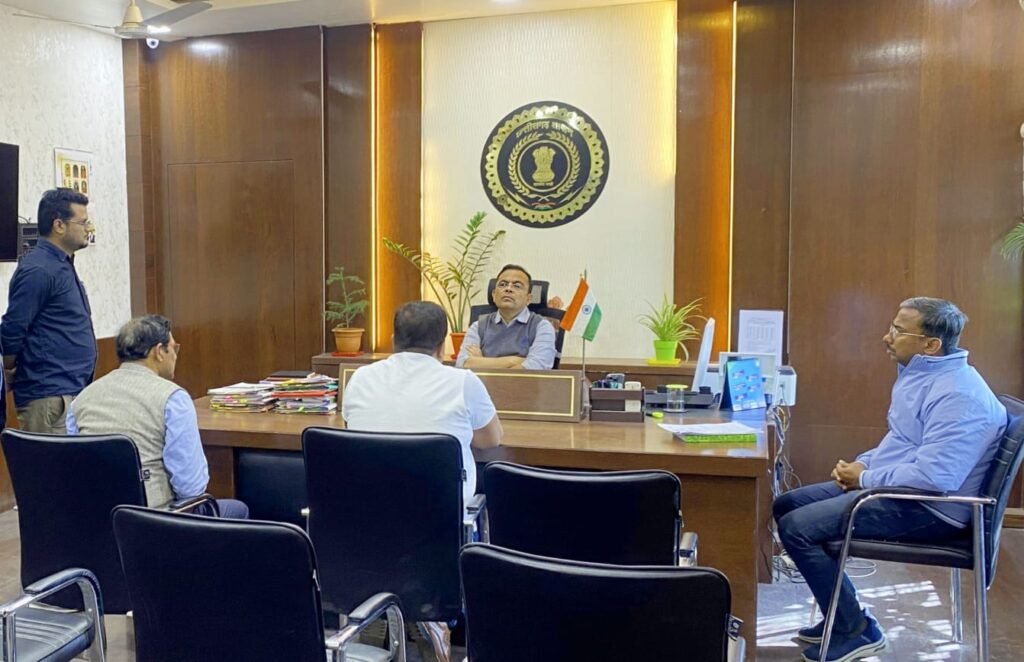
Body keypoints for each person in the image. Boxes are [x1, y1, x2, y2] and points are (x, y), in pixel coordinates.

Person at [773, 297, 1006, 662]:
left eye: (898, 330)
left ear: (931, 345)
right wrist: (861, 465)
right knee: (787, 505)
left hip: (933, 509)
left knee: (798, 528)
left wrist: (866, 478)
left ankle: (854, 629)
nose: (887, 337)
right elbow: (903, 441)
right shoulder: (925, 376)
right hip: (905, 491)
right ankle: (842, 614)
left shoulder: (959, 396)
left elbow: (935, 476)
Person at [343, 301, 502, 662]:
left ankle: (383, 609)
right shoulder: (462, 382)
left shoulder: (360, 378)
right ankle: (430, 616)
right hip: (439, 528)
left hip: (363, 527)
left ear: (393, 338)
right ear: (443, 345)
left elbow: (354, 433)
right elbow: (491, 439)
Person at [67, 315, 249, 519]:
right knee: (237, 509)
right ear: (159, 352)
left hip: (95, 519)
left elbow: (77, 468)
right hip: (155, 522)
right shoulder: (173, 398)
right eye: (173, 348)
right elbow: (190, 487)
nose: (176, 356)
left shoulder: (81, 400)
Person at [2, 188, 97, 434]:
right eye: (83, 222)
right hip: (49, 398)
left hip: (71, 391)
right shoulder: (39, 270)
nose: (89, 228)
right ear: (59, 225)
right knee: (50, 461)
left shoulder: (61, 264)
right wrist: (10, 370)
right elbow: (12, 330)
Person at [455, 264, 557, 370]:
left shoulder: (542, 326)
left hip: (524, 382)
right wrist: (514, 360)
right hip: (483, 382)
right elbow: (462, 363)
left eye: (517, 286)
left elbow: (537, 367)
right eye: (503, 284)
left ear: (528, 299)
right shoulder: (478, 326)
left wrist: (482, 362)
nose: (508, 289)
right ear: (494, 295)